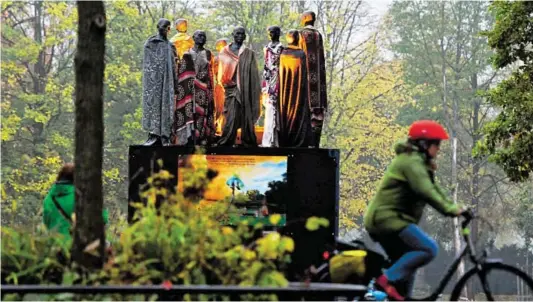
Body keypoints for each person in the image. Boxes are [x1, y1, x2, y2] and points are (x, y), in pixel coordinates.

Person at [363, 120, 468, 301]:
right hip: (387, 219)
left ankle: (397, 294)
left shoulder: (419, 163)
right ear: (424, 144)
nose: (439, 149)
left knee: (406, 271)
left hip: (392, 220)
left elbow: (435, 190)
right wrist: (451, 210)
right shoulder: (410, 162)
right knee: (428, 249)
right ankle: (384, 279)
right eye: (436, 144)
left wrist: (456, 207)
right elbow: (426, 191)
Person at [43, 163, 109, 241]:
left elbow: (46, 222)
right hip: (78, 244)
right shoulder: (82, 196)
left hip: (54, 244)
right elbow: (103, 218)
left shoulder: (49, 198)